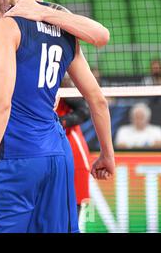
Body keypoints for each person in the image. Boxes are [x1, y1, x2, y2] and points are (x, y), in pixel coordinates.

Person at [0, 0, 115, 233]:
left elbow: (2, 102)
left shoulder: (7, 28)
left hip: (15, 157)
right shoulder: (65, 26)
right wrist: (107, 154)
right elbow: (97, 99)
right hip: (56, 157)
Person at [56, 74, 91, 218]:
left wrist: (59, 121)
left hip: (71, 150)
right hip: (47, 150)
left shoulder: (62, 87)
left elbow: (85, 111)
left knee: (71, 215)